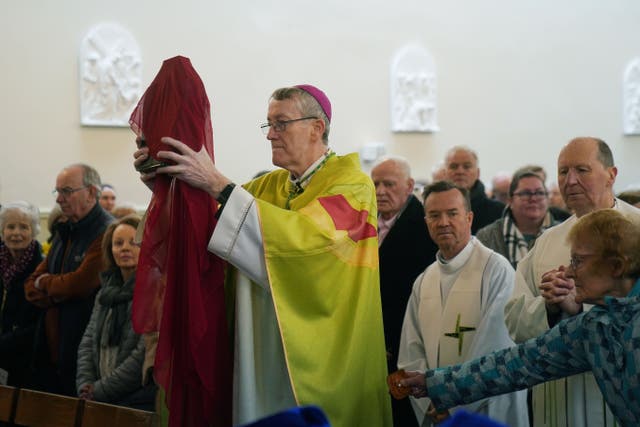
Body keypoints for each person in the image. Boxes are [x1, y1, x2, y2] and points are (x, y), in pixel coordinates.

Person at [134, 84, 392, 426]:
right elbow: (204, 227)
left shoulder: (352, 185)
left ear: (317, 126)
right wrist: (165, 182)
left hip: (325, 357)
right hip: (260, 357)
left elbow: (311, 244)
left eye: (281, 123)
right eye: (269, 124)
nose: (270, 134)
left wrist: (217, 183)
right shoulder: (269, 187)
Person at [397, 209, 640, 426]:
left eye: (577, 261)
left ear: (616, 266)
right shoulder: (592, 327)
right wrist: (433, 383)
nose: (567, 271)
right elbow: (516, 364)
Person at [504, 137, 640, 426]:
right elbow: (514, 317)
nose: (571, 180)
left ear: (611, 175)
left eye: (582, 170)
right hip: (556, 397)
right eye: (563, 172)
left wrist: (579, 309)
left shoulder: (637, 230)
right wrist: (552, 310)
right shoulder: (546, 242)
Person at [397, 181, 527, 427]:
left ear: (469, 218)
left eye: (452, 213)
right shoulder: (425, 280)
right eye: (434, 215)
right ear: (426, 222)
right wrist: (433, 401)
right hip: (436, 410)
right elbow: (411, 352)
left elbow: (495, 346)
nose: (443, 222)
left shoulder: (496, 269)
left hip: (488, 407)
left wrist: (453, 401)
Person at [25, 163, 112, 396]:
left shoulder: (106, 232)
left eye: (66, 191)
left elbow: (79, 285)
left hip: (82, 350)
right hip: (52, 345)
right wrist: (55, 289)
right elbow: (30, 284)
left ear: (92, 192)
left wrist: (45, 284)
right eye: (58, 192)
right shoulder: (66, 228)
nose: (59, 199)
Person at [371, 156, 437, 427]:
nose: (380, 191)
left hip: (403, 341)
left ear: (409, 186)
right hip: (370, 336)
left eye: (389, 184)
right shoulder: (363, 222)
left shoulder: (423, 227)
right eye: (375, 184)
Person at [76, 214, 156, 410]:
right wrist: (86, 385)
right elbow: (88, 342)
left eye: (134, 242)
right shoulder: (105, 293)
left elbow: (142, 355)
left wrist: (100, 390)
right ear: (110, 250)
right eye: (118, 243)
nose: (125, 248)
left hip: (135, 398)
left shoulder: (154, 291)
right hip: (97, 392)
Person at [476, 169, 559, 268]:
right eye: (525, 193)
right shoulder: (488, 237)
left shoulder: (564, 233)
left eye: (540, 193)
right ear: (510, 200)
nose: (533, 199)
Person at [0, 201, 44, 387]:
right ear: (2, 231)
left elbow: (39, 322)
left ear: (33, 232)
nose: (16, 233)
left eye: (23, 227)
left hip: (25, 359)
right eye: (10, 227)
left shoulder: (41, 267)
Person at [443, 146, 504, 234]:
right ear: (445, 173)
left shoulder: (498, 211)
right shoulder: (432, 209)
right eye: (454, 166)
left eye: (467, 167)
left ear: (478, 173)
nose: (460, 171)